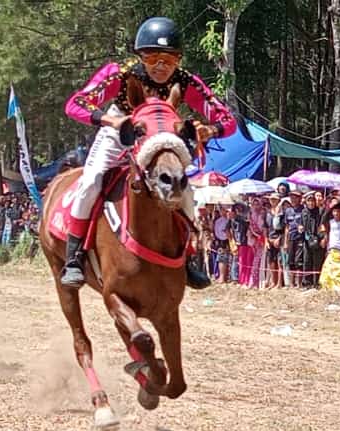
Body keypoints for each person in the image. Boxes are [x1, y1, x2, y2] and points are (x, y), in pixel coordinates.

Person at [59, 16, 238, 290]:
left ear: (179, 60)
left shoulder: (186, 81)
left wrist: (208, 130)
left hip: (162, 133)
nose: (161, 66)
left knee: (184, 189)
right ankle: (73, 258)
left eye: (170, 59)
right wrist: (111, 121)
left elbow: (228, 120)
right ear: (141, 56)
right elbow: (76, 104)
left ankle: (189, 258)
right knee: (91, 180)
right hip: (122, 127)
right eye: (153, 56)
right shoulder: (118, 73)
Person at [320, 202, 340, 291]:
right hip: (332, 249)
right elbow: (327, 233)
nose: (336, 214)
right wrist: (325, 241)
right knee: (329, 269)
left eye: (338, 211)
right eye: (334, 211)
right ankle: (329, 287)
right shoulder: (330, 222)